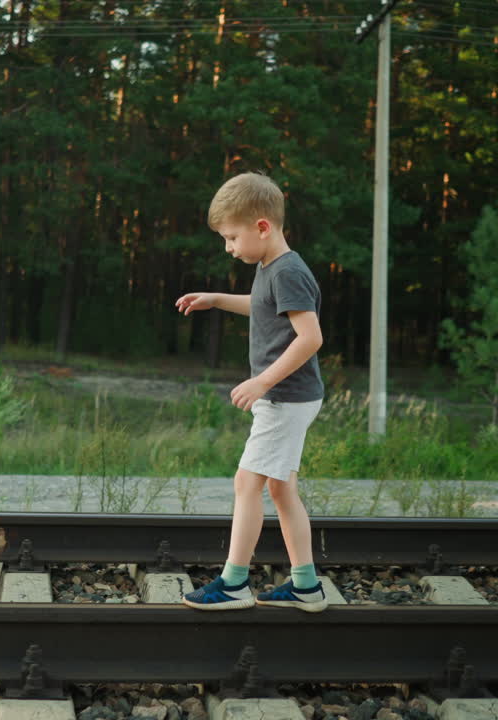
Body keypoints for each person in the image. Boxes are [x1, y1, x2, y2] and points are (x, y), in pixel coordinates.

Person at [173, 171, 328, 612]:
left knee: (247, 482)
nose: (228, 247)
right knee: (280, 490)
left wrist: (263, 381)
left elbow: (310, 338)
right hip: (292, 396)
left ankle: (234, 582)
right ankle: (305, 585)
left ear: (262, 226)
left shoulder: (289, 272)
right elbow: (263, 308)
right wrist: (217, 298)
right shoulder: (272, 266)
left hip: (285, 398)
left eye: (232, 237)